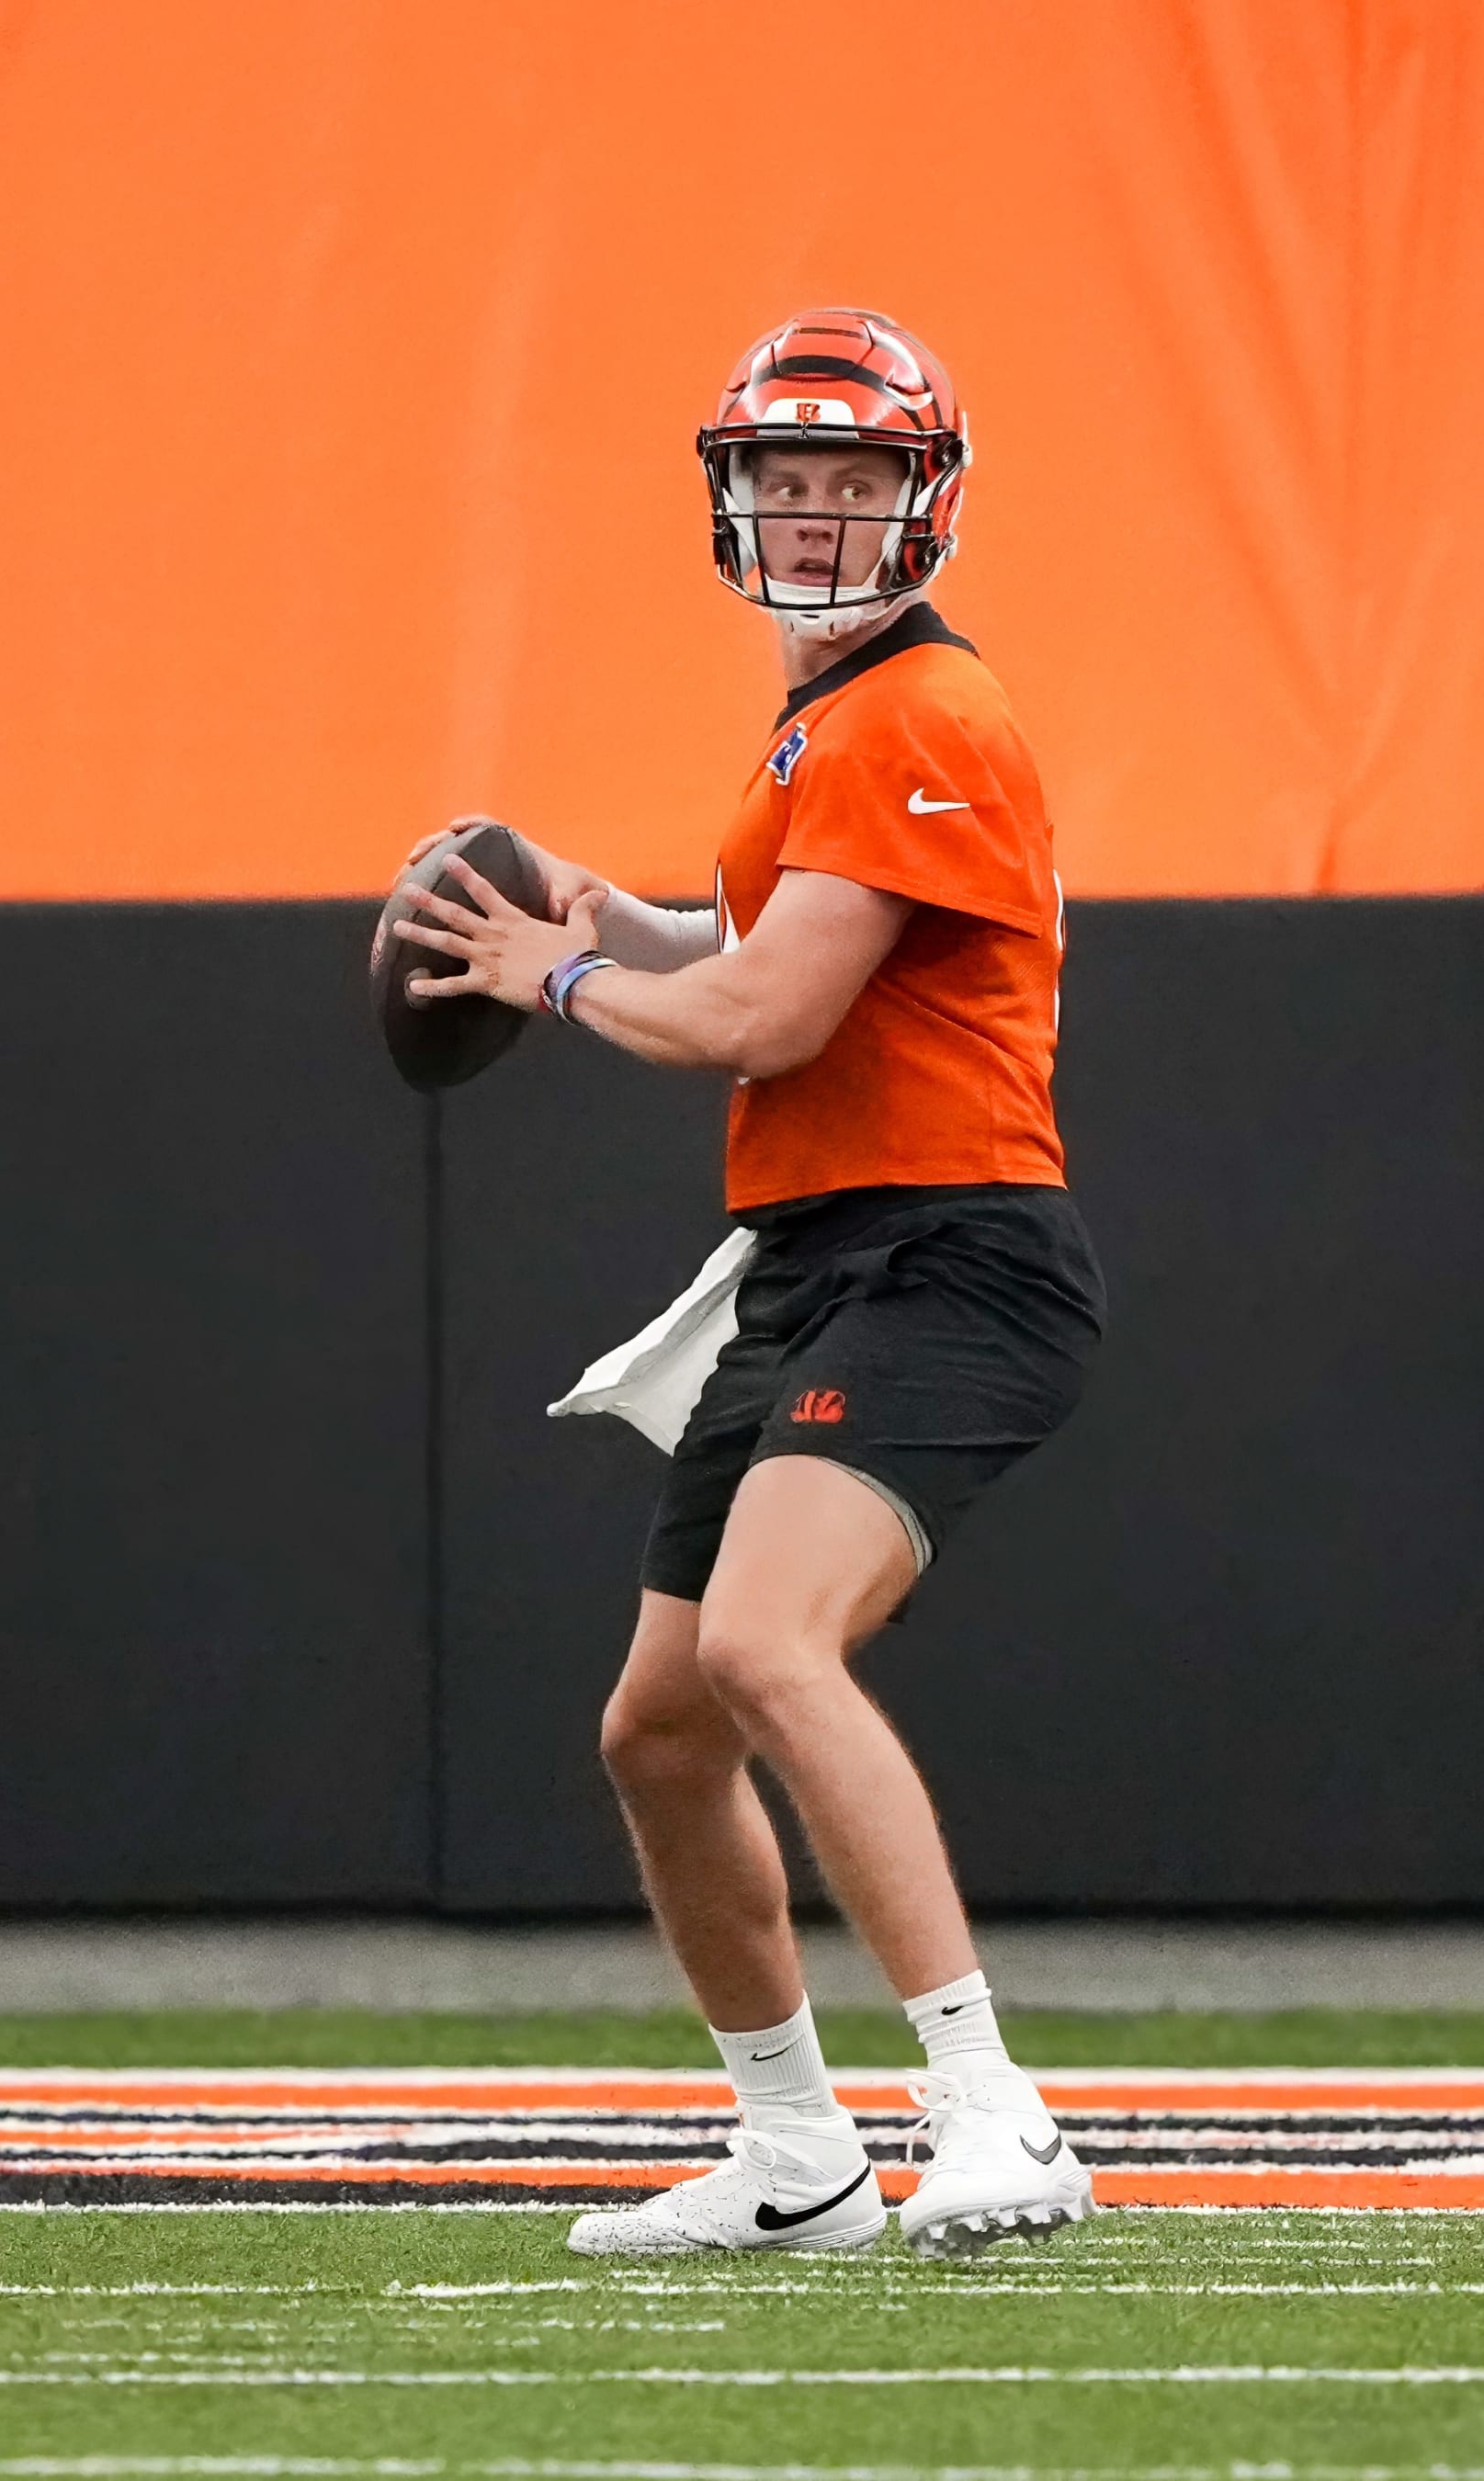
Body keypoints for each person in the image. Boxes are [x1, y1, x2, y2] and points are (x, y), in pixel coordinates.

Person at [392, 308, 1105, 2259]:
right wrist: (606, 913)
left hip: (950, 1251)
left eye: (854, 475)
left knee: (770, 1649)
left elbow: (769, 1013)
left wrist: (556, 976)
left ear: (924, 502)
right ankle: (798, 2156)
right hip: (820, 1257)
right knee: (660, 1726)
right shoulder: (835, 721)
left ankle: (994, 2109)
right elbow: (756, 933)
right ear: (734, 499)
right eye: (784, 473)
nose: (812, 504)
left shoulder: (915, 715)